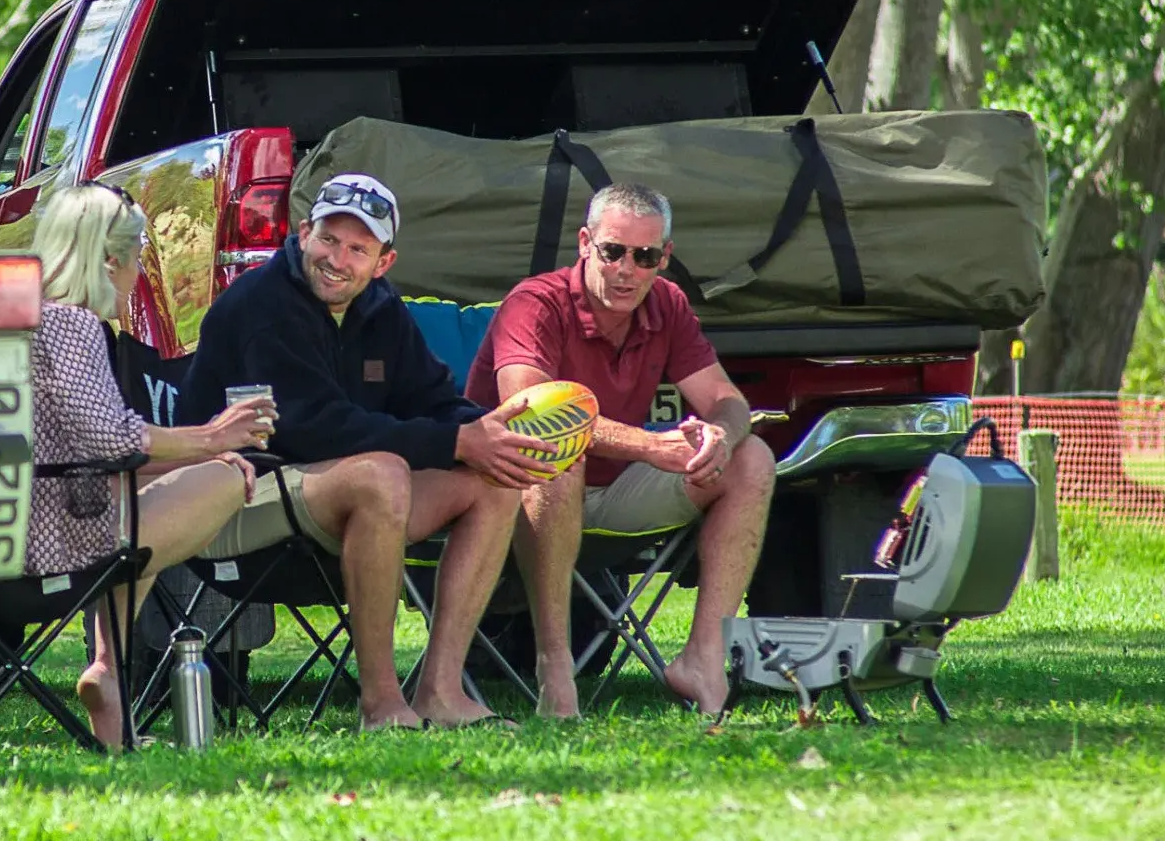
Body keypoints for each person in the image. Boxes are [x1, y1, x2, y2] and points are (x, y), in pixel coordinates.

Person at [178, 173, 555, 732]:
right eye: (329, 239)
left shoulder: (380, 309)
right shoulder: (262, 302)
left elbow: (430, 399)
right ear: (303, 233)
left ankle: (440, 691)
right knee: (381, 474)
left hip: (324, 498)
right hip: (231, 499)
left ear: (383, 262)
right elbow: (311, 429)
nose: (338, 259)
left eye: (359, 248)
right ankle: (382, 705)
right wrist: (456, 441)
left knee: (494, 479)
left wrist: (488, 433)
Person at [464, 181, 775, 718]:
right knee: (557, 459)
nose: (628, 269)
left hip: (614, 492)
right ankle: (555, 666)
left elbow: (727, 399)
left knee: (753, 459)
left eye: (645, 255)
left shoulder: (668, 304)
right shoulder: (534, 302)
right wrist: (651, 446)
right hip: (504, 497)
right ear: (585, 243)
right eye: (613, 251)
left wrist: (721, 433)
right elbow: (531, 412)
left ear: (664, 257)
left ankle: (703, 658)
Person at [25, 182, 280, 749]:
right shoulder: (71, 324)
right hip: (56, 541)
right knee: (220, 478)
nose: (138, 275)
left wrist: (185, 457)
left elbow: (84, 455)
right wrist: (213, 440)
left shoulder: (31, 321)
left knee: (158, 496)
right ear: (109, 260)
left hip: (37, 517)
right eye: (137, 258)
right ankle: (107, 669)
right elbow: (111, 438)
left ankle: (109, 676)